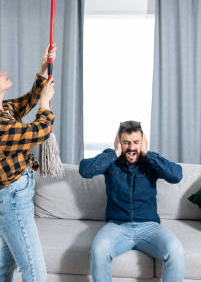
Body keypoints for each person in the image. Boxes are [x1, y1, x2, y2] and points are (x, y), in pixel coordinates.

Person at [0, 44, 57, 282]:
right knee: (35, 274)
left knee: (6, 268)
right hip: (12, 201)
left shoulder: (0, 110)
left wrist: (43, 69)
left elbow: (28, 100)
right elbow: (37, 132)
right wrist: (45, 105)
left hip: (16, 196)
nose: (3, 72)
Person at [79, 121, 186, 282]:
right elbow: (85, 170)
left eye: (136, 142)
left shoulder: (150, 161)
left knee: (176, 250)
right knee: (99, 250)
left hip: (149, 227)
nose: (131, 147)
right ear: (119, 142)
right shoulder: (111, 160)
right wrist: (114, 153)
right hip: (117, 226)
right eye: (126, 142)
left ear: (142, 141)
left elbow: (176, 175)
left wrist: (148, 153)